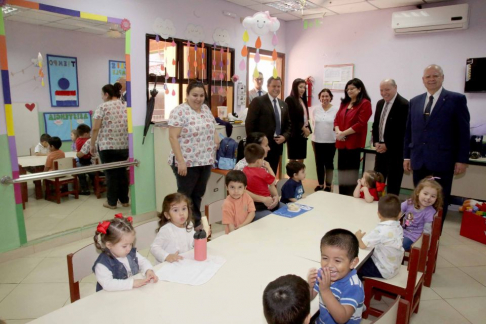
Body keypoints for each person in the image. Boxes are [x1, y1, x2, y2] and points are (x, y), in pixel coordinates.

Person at [404, 64, 470, 224]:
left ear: (442, 78)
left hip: (442, 161)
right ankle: (416, 229)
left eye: (435, 76)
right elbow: (409, 131)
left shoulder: (456, 100)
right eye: (428, 76)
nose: (431, 79)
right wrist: (406, 156)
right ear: (423, 80)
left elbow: (463, 132)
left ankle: (434, 235)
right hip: (419, 160)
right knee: (420, 198)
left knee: (438, 200)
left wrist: (462, 160)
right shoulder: (415, 101)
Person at [168, 81, 220, 227]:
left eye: (201, 95)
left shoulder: (205, 109)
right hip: (187, 162)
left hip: (205, 160)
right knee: (184, 197)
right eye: (195, 95)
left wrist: (216, 138)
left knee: (198, 194)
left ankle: (195, 222)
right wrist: (181, 161)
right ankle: (180, 224)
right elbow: (172, 137)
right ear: (187, 95)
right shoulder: (179, 111)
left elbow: (212, 126)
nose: (198, 98)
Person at [307, 229, 364, 324]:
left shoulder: (353, 286)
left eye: (337, 261)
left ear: (353, 262)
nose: (329, 265)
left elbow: (342, 318)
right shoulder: (323, 273)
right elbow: (310, 297)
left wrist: (325, 290)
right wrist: (310, 286)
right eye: (325, 258)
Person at [92, 214, 158, 291]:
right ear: (109, 245)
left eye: (131, 244)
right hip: (111, 298)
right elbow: (108, 284)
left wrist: (148, 270)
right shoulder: (102, 264)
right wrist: (132, 283)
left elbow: (143, 261)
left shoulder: (129, 252)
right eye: (124, 246)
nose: (129, 248)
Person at [91, 83, 129, 210]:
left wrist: (92, 144)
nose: (102, 97)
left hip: (107, 146)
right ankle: (124, 200)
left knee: (111, 175)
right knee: (122, 174)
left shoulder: (102, 107)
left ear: (106, 94)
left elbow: (96, 128)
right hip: (124, 146)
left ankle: (111, 202)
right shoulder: (125, 106)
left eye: (102, 95)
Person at [334, 78, 372, 196]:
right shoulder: (344, 103)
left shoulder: (365, 103)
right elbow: (336, 119)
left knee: (351, 174)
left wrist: (343, 133)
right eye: (348, 89)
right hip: (341, 143)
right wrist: (338, 131)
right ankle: (342, 196)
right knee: (342, 173)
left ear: (359, 89)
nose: (349, 91)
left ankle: (350, 197)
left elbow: (361, 123)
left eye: (352, 88)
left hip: (353, 144)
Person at [246, 76, 291, 175]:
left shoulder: (283, 104)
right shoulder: (258, 101)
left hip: (277, 146)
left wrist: (285, 137)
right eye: (274, 86)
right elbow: (250, 124)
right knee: (259, 174)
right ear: (268, 86)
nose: (276, 89)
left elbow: (288, 125)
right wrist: (256, 144)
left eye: (278, 86)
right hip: (261, 147)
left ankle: (270, 190)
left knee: (272, 173)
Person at [371, 79, 409, 196]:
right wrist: (376, 142)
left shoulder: (404, 104)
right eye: (381, 90)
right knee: (377, 181)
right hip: (380, 150)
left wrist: (387, 145)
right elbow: (376, 124)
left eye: (387, 89)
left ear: (395, 88)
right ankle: (374, 207)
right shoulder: (380, 103)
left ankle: (391, 210)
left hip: (395, 153)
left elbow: (404, 131)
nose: (384, 93)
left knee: (393, 183)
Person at [355, 194, 404, 280]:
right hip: (394, 266)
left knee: (355, 267)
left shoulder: (380, 231)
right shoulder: (398, 226)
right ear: (400, 214)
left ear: (379, 214)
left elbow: (363, 245)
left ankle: (356, 287)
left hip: (382, 269)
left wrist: (358, 237)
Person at [150, 193, 196, 264]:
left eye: (184, 209)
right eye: (175, 210)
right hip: (168, 265)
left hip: (183, 262)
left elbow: (192, 241)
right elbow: (154, 247)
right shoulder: (166, 230)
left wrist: (200, 238)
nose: (181, 213)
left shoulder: (189, 224)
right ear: (167, 215)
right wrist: (166, 256)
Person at [401, 177, 443, 250]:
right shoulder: (409, 202)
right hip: (401, 231)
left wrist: (425, 243)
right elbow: (397, 211)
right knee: (386, 241)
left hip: (414, 237)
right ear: (418, 192)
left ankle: (390, 259)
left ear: (436, 198)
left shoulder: (430, 211)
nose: (428, 197)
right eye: (425, 194)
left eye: (433, 196)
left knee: (398, 246)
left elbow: (427, 230)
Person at [242, 144, 281, 220]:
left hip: (253, 203)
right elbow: (273, 181)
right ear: (259, 161)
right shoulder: (262, 172)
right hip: (264, 203)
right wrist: (269, 167)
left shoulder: (244, 170)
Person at [311, 89, 338, 192]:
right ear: (319, 97)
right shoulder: (315, 109)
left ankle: (328, 186)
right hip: (317, 140)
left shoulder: (336, 109)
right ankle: (321, 184)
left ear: (330, 97)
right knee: (319, 163)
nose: (324, 98)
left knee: (329, 164)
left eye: (327, 96)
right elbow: (313, 123)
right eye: (322, 96)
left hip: (331, 141)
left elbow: (337, 124)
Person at [285, 78, 312, 163]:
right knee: (293, 158)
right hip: (294, 133)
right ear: (295, 87)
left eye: (304, 87)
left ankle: (299, 175)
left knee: (301, 157)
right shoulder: (290, 99)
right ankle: (292, 176)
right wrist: (304, 128)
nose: (302, 89)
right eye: (300, 87)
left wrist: (308, 130)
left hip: (302, 134)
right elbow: (292, 118)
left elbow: (305, 117)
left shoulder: (302, 99)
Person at [76, 124, 93, 195]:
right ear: (86, 134)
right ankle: (96, 185)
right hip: (90, 161)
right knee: (92, 173)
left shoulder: (77, 140)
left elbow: (79, 154)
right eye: (89, 133)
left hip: (83, 161)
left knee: (79, 171)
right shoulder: (89, 140)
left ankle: (84, 189)